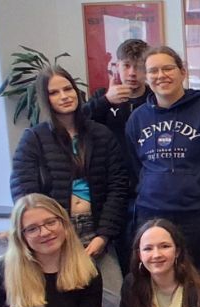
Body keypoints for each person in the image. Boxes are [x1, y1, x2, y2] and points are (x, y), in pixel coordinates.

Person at [11, 66, 129, 307]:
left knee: (118, 305)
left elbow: (118, 186)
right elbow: (24, 193)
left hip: (96, 233)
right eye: (54, 92)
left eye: (67, 89)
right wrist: (51, 232)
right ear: (46, 98)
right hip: (53, 236)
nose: (64, 96)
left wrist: (103, 236)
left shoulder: (101, 135)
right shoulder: (34, 138)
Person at [125, 45, 200, 293]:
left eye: (167, 68)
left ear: (182, 72)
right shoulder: (137, 119)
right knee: (160, 289)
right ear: (146, 77)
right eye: (153, 71)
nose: (160, 75)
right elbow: (134, 166)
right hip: (153, 217)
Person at [84, 38, 151, 274]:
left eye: (139, 67)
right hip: (114, 193)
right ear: (116, 67)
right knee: (125, 261)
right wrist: (105, 102)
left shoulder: (154, 99)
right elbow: (75, 125)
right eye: (126, 66)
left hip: (148, 191)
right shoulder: (102, 98)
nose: (132, 73)